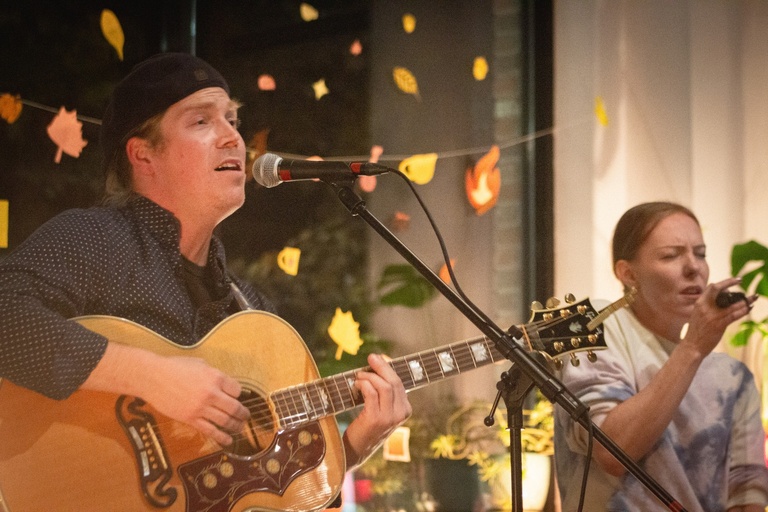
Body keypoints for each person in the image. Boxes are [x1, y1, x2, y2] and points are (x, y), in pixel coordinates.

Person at [0, 53, 410, 502]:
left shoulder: (249, 309)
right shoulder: (94, 238)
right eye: (201, 121)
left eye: (232, 120)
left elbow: (264, 489)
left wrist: (354, 446)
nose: (233, 136)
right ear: (143, 154)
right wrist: (151, 377)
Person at [554, 201, 768, 511]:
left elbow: (747, 492)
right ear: (627, 273)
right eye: (671, 255)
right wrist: (693, 347)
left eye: (701, 254)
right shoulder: (597, 328)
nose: (694, 267)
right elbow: (612, 451)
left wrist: (694, 348)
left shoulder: (732, 378)